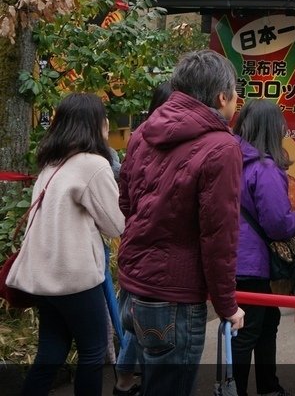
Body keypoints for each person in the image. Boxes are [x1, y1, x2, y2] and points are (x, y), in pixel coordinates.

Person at [118, 50, 244, 396]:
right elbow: (219, 237)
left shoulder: (143, 133)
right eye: (235, 93)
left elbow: (127, 203)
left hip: (132, 287)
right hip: (175, 294)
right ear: (222, 97)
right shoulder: (221, 147)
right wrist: (227, 304)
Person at [8, 93, 125, 396]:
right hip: (75, 280)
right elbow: (116, 225)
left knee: (51, 351)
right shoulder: (93, 165)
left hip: (42, 278)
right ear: (96, 124)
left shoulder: (52, 164)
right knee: (93, 350)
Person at [233, 99, 295, 396]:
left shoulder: (228, 160)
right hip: (253, 261)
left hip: (230, 256)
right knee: (249, 330)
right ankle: (237, 389)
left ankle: (267, 385)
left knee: (263, 321)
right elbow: (277, 223)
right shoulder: (265, 169)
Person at [113, 80, 173, 396]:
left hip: (133, 243)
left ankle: (125, 380)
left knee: (134, 318)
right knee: (143, 323)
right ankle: (127, 381)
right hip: (152, 249)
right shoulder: (164, 140)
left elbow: (125, 198)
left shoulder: (138, 138)